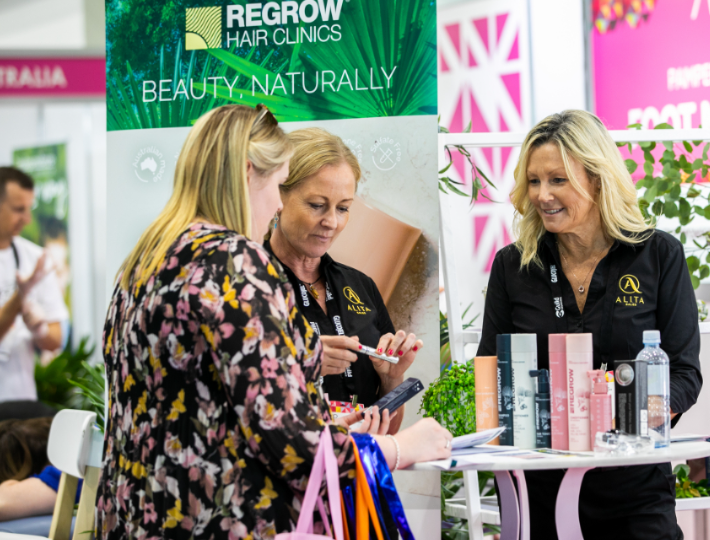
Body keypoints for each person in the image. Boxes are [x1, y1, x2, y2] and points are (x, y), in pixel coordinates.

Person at [97, 104, 451, 540]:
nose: (277, 205)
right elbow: (291, 449)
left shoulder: (146, 259)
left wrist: (324, 420)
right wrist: (399, 448)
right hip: (217, 520)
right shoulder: (235, 262)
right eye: (280, 186)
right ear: (249, 173)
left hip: (139, 514)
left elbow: (203, 408)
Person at [476, 110, 702, 540]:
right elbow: (492, 369)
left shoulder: (658, 255)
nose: (542, 195)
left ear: (597, 179)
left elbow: (684, 373)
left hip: (635, 488)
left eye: (558, 180)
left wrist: (631, 417)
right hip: (539, 490)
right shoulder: (513, 266)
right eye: (534, 181)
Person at [265, 128, 421, 435]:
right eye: (316, 205)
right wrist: (302, 365)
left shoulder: (361, 286)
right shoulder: (248, 286)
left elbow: (388, 431)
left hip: (359, 463)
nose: (331, 222)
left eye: (343, 208)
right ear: (278, 196)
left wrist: (391, 378)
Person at [0, 167, 66, 403]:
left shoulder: (35, 259)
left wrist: (40, 329)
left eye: (29, 209)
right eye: (19, 209)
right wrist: (21, 296)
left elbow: (56, 340)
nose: (27, 219)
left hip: (22, 402)